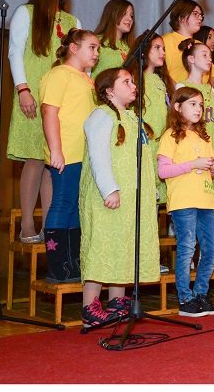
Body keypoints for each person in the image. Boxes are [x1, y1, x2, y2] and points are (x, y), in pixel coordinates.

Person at [78, 68, 159, 326]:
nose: (133, 85)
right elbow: (98, 154)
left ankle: (117, 302)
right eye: (126, 82)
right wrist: (108, 188)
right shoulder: (101, 115)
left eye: (133, 81)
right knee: (102, 246)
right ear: (109, 90)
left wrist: (151, 189)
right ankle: (89, 308)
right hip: (109, 195)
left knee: (122, 246)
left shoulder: (133, 117)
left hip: (131, 198)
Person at [7, 0, 81, 243]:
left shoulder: (73, 22)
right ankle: (27, 223)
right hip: (32, 95)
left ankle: (50, 226)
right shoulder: (26, 13)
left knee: (53, 161)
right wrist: (23, 89)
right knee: (35, 158)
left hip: (62, 100)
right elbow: (15, 52)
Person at [39, 29, 98, 283]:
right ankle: (57, 265)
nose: (96, 53)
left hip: (84, 152)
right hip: (67, 151)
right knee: (62, 202)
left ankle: (73, 263)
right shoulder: (58, 74)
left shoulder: (86, 79)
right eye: (91, 47)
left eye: (98, 48)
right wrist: (56, 150)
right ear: (73, 48)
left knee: (76, 206)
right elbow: (49, 111)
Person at [157, 87, 214, 317]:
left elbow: (208, 171)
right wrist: (194, 164)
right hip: (183, 200)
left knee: (212, 249)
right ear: (177, 107)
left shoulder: (204, 137)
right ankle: (185, 298)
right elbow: (163, 171)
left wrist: (213, 167)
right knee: (186, 248)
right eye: (192, 104)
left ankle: (201, 294)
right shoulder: (171, 135)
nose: (198, 109)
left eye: (200, 105)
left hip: (205, 199)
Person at [125, 32, 174, 205]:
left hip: (162, 142)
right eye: (157, 48)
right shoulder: (133, 78)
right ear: (144, 50)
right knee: (145, 193)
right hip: (144, 141)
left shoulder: (164, 80)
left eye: (164, 49)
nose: (162, 53)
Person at [162, 0, 214, 86]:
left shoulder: (200, 44)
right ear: (181, 18)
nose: (200, 18)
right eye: (195, 14)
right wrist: (180, 91)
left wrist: (204, 88)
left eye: (201, 15)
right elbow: (162, 74)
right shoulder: (166, 40)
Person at [92, 0, 135, 77]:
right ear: (112, 14)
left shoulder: (131, 47)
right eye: (124, 13)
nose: (129, 19)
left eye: (131, 15)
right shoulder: (96, 41)